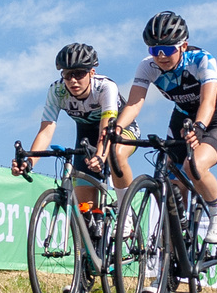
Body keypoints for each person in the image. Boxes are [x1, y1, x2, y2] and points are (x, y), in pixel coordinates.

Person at [114, 11, 217, 249]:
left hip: (214, 121)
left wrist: (199, 128)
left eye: (167, 50)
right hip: (180, 120)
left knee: (194, 166)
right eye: (154, 50)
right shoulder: (147, 67)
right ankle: (172, 257)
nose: (160, 56)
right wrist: (117, 127)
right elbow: (134, 104)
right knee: (171, 188)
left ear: (183, 46)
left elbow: (208, 102)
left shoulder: (202, 60)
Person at [12, 44, 129, 203]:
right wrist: (29, 162)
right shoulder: (57, 91)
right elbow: (46, 130)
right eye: (67, 75)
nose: (73, 80)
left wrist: (101, 155)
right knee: (85, 210)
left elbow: (106, 127)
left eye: (79, 74)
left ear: (91, 73)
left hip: (117, 129)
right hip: (86, 135)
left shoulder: (105, 87)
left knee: (115, 153)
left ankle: (125, 211)